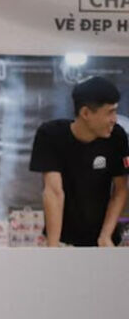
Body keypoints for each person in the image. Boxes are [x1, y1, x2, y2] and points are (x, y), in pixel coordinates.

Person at [29, 76, 128, 247]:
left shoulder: (117, 137)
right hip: (63, 239)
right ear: (85, 113)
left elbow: (120, 190)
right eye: (109, 112)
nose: (114, 119)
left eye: (115, 111)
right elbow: (54, 191)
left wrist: (105, 235)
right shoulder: (50, 135)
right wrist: (53, 246)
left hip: (104, 239)